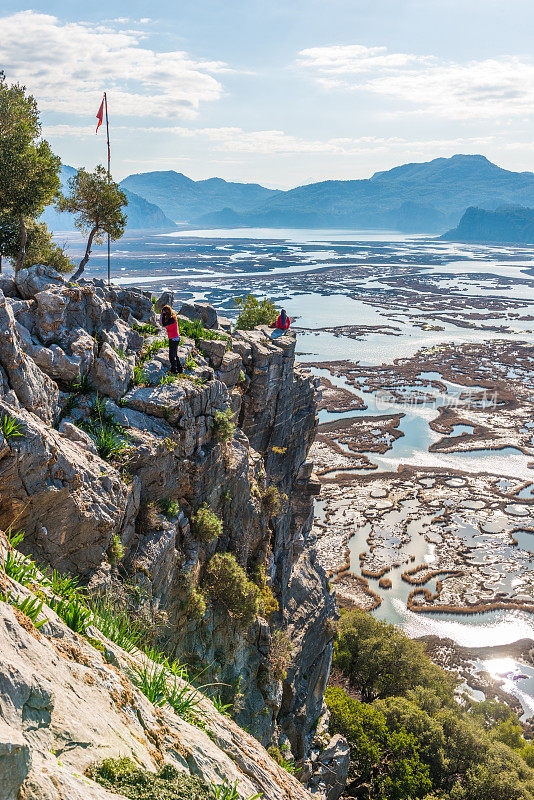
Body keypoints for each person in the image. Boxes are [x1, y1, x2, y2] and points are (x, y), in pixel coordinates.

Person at [160, 304, 181, 373]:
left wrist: (162, 316)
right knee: (174, 354)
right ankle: (179, 369)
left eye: (165, 312)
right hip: (174, 338)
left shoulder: (172, 319)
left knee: (171, 356)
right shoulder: (171, 318)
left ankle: (174, 370)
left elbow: (163, 324)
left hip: (174, 338)